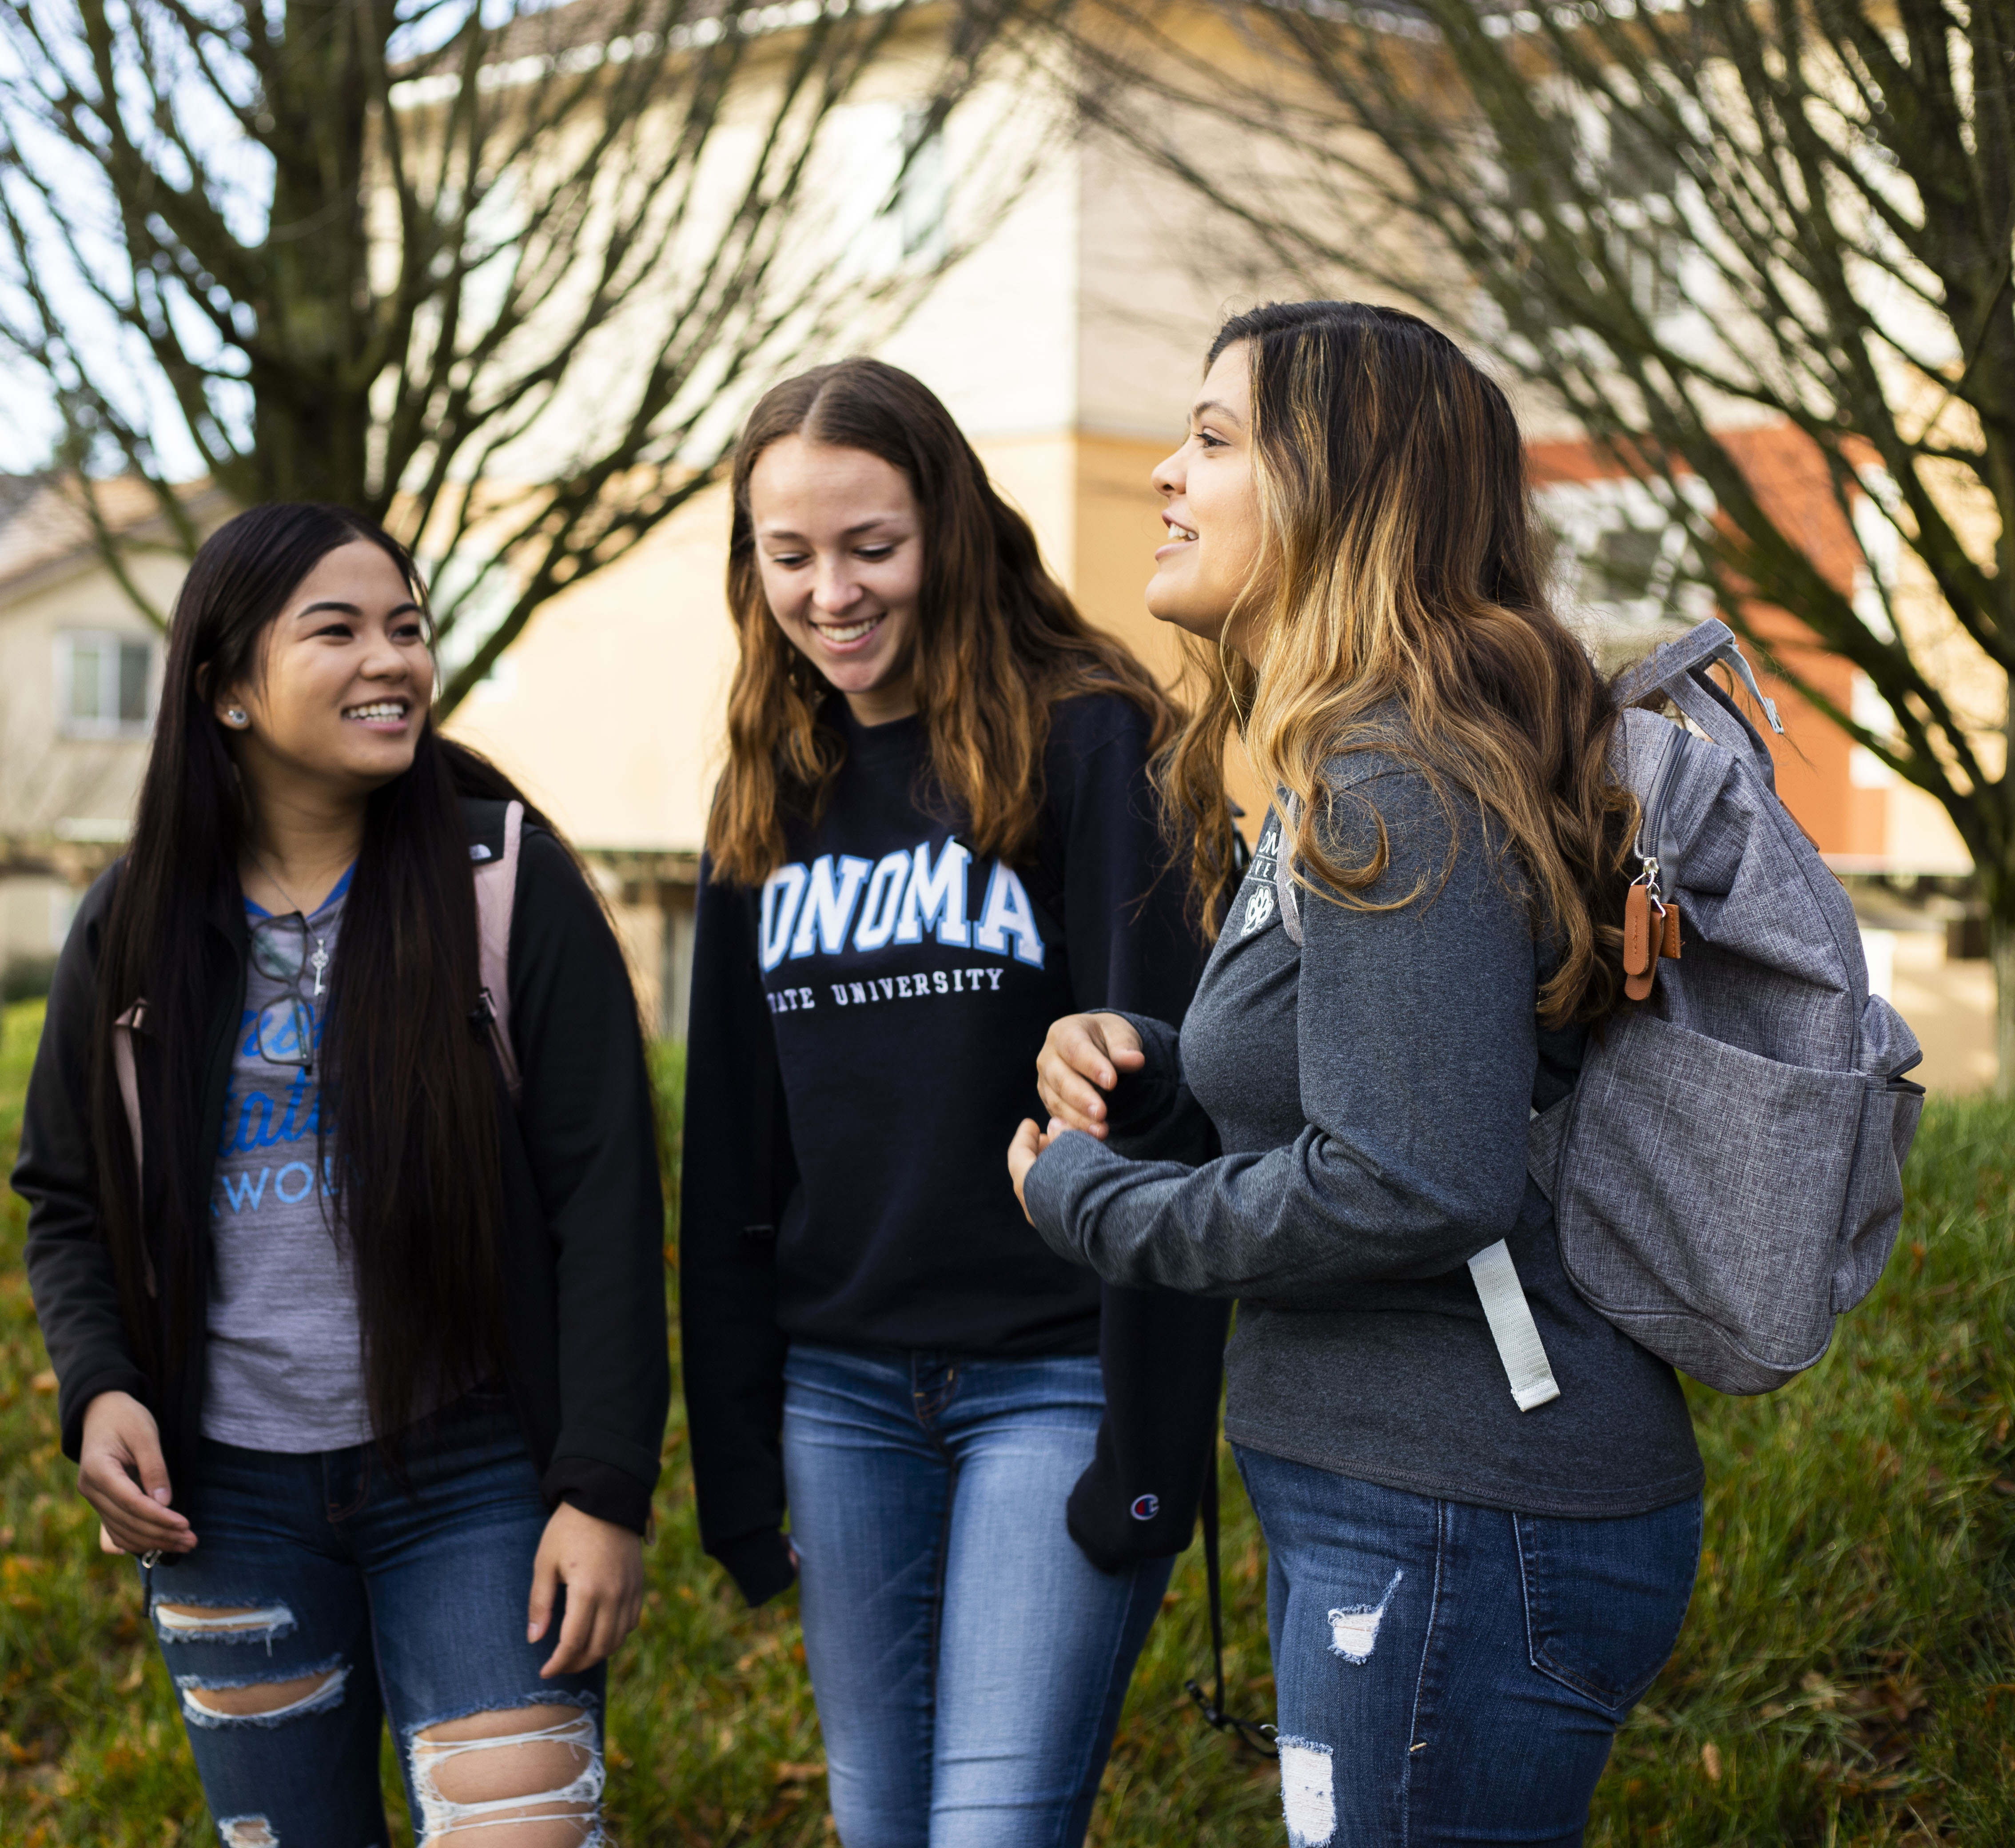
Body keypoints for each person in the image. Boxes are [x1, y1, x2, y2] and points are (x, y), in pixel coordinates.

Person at [1011, 301, 1705, 1848]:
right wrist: (1160, 1078)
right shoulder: (1353, 758)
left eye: (1213, 440)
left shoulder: (1394, 777)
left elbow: (1413, 1176)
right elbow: (1393, 1085)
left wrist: (1096, 1203)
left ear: (1345, 489)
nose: (1164, 479)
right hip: (1424, 1511)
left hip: (1458, 1513)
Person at [16, 504, 669, 1848]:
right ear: (228, 690)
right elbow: (69, 1199)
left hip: (476, 1473)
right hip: (228, 1503)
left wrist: (602, 1489)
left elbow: (606, 1200)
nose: (393, 659)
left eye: (408, 628)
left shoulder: (504, 888)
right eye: (339, 631)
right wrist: (101, 1391)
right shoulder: (130, 926)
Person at [681, 357, 1230, 1848]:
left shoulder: (1095, 738)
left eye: (873, 546)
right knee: (885, 1829)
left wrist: (1151, 1446)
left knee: (991, 1830)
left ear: (956, 531)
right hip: (840, 1393)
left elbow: (1182, 1102)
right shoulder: (767, 787)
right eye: (788, 556)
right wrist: (736, 1465)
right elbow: (730, 1147)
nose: (830, 593)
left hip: (1051, 1381)